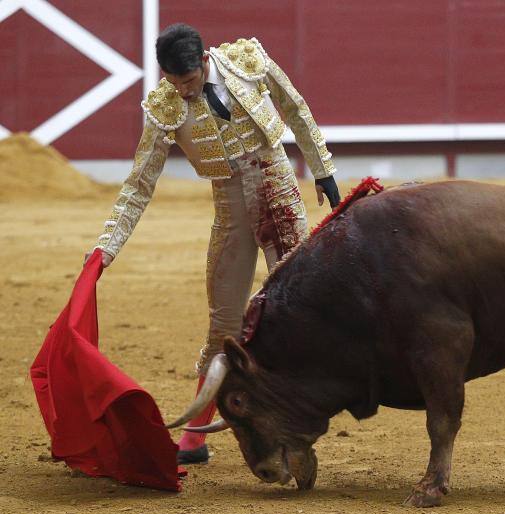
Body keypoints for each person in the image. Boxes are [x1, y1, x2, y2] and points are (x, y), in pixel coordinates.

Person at [87, 23, 340, 464]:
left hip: (280, 194)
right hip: (230, 209)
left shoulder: (247, 60)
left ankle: (291, 421)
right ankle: (194, 437)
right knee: (223, 323)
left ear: (204, 61)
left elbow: (295, 108)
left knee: (294, 313)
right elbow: (138, 184)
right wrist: (106, 247)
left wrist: (323, 170)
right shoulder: (165, 107)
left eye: (188, 82)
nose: (183, 93)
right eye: (173, 82)